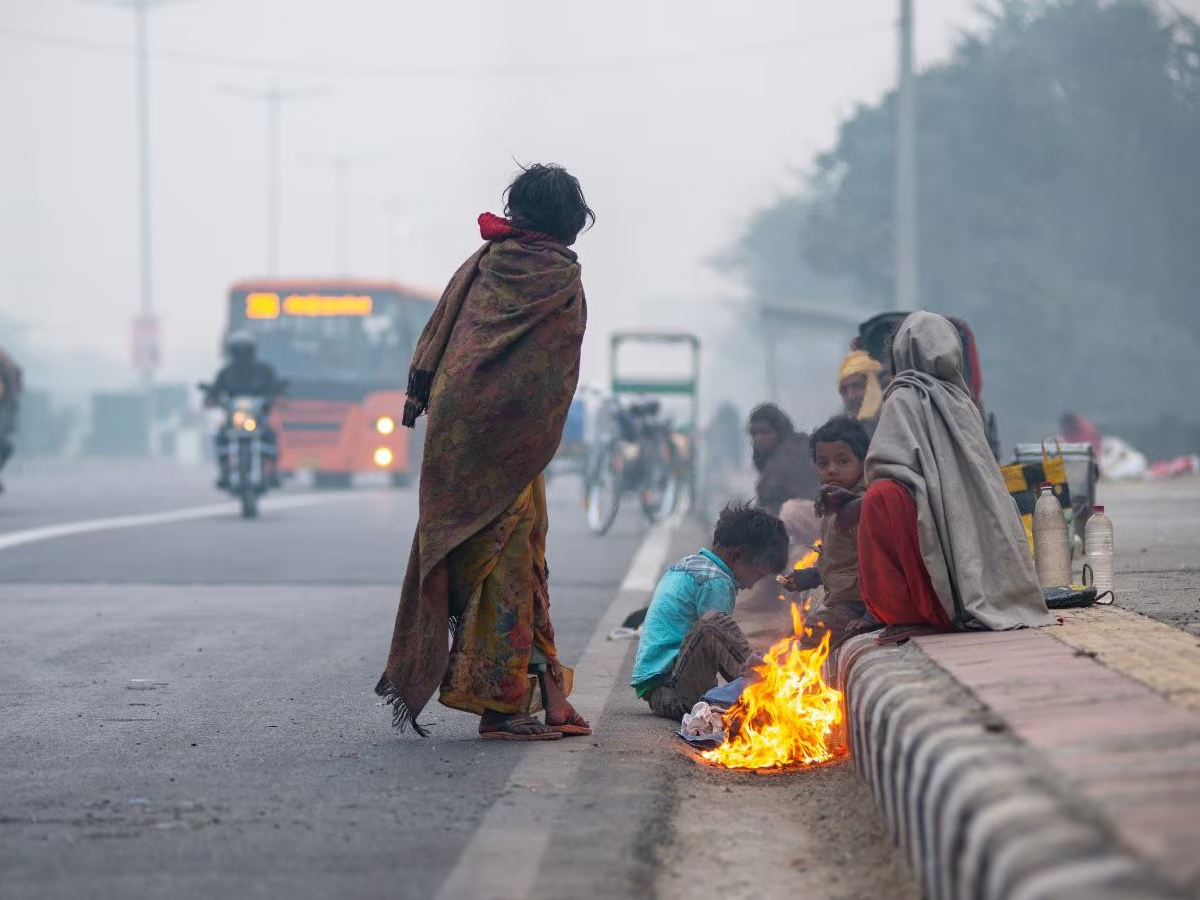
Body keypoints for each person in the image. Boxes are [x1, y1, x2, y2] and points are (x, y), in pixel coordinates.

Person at [376, 163, 594, 742]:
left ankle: (551, 697)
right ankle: (504, 709)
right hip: (511, 441)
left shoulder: (485, 265)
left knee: (520, 558)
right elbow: (549, 377)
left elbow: (445, 342)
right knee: (509, 565)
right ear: (570, 222)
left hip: (457, 433)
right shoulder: (558, 278)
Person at [824, 312, 1052, 633]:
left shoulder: (902, 397)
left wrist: (856, 503)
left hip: (927, 565)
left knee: (881, 497)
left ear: (902, 351)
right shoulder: (964, 401)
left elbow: (887, 472)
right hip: (970, 570)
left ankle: (903, 610)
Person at [632, 503, 789, 721]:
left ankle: (759, 685)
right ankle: (766, 690)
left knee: (719, 630)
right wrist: (749, 680)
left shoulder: (690, 564)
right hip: (674, 693)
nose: (752, 586)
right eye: (757, 575)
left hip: (661, 690)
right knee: (713, 623)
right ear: (738, 555)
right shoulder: (716, 581)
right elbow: (719, 642)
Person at [779, 416, 877, 648]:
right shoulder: (833, 504)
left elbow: (879, 567)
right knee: (795, 632)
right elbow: (842, 562)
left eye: (843, 461)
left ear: (863, 462)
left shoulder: (863, 507)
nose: (832, 470)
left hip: (860, 605)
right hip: (843, 598)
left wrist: (871, 616)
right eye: (823, 463)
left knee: (807, 637)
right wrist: (810, 577)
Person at [205, 332, 285, 488]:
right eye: (238, 350)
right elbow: (216, 390)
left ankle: (273, 472)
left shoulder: (264, 370)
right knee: (220, 437)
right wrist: (212, 397)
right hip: (234, 418)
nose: (242, 355)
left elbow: (275, 387)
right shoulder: (226, 372)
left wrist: (274, 396)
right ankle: (224, 471)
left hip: (257, 417)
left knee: (271, 436)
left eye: (245, 350)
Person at [748, 403, 820, 515]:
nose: (758, 438)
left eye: (765, 432)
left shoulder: (794, 452)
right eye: (754, 433)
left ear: (779, 431)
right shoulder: (771, 457)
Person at [837, 350, 883, 434]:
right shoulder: (838, 433)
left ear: (873, 387)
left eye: (856, 386)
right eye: (844, 390)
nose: (850, 396)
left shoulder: (897, 424)